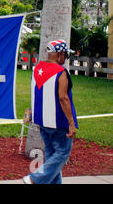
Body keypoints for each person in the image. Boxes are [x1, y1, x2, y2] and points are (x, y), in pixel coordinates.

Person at [23, 39, 78, 184]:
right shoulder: (61, 72)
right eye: (66, 54)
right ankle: (35, 178)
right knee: (62, 153)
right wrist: (71, 123)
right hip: (59, 123)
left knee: (52, 155)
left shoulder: (37, 69)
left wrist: (30, 111)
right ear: (59, 53)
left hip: (42, 121)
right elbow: (63, 98)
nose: (66, 58)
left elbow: (37, 93)